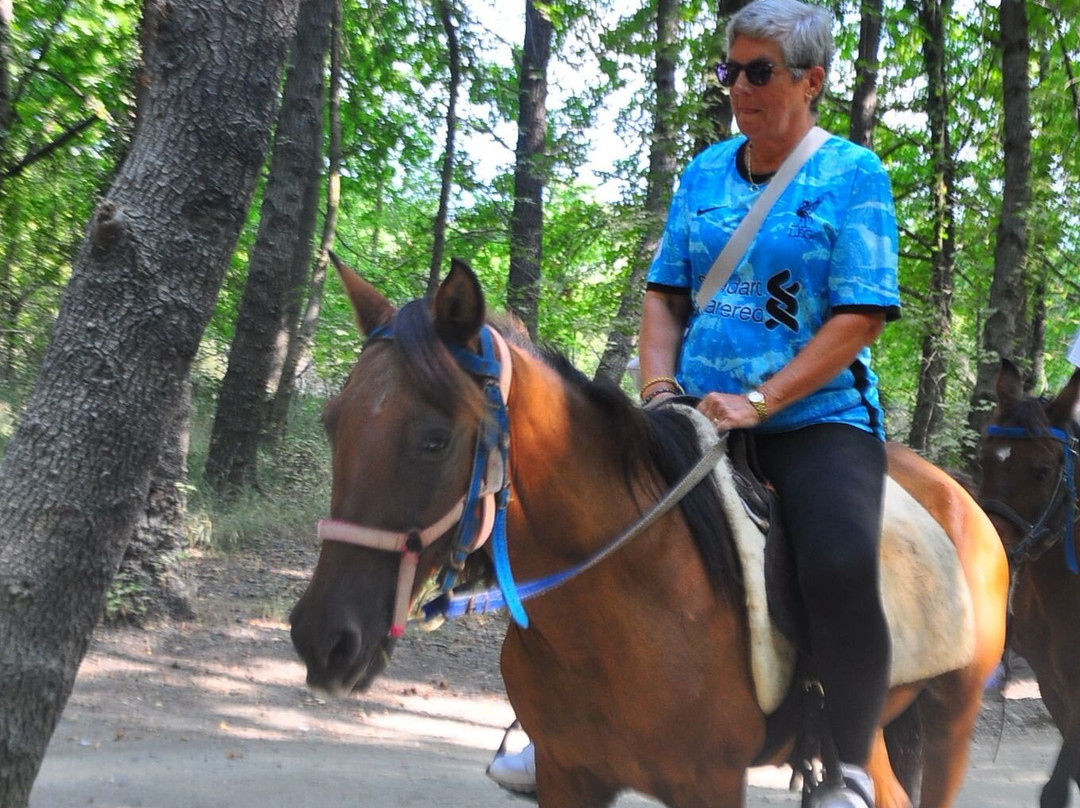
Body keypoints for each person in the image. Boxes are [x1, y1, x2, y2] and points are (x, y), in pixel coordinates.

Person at [490, 1, 899, 805]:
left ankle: (849, 766)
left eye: (760, 72)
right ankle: (556, 728)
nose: (739, 87)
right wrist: (657, 392)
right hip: (694, 412)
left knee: (841, 562)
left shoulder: (855, 174)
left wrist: (763, 399)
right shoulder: (706, 173)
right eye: (730, 70)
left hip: (816, 421)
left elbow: (859, 317)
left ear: (811, 81)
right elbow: (665, 293)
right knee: (567, 523)